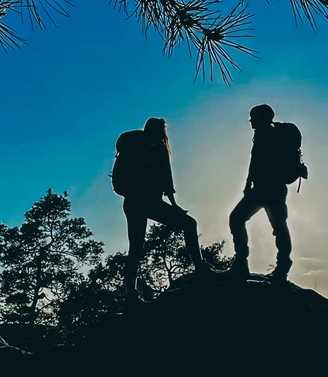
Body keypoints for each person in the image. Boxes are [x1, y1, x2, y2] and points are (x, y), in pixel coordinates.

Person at [110, 117, 208, 297]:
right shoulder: (158, 149)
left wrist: (173, 204)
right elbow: (166, 179)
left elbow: (165, 179)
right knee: (189, 224)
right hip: (149, 202)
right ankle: (200, 266)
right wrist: (174, 205)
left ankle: (130, 294)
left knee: (135, 248)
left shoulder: (135, 145)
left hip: (132, 202)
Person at [228, 103, 308, 281]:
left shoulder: (270, 135)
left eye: (253, 118)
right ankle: (247, 263)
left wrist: (250, 183)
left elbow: (259, 160)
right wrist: (248, 182)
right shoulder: (261, 135)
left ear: (262, 118)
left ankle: (279, 267)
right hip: (264, 189)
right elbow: (254, 160)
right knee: (243, 220)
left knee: (275, 227)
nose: (250, 121)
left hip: (272, 189)